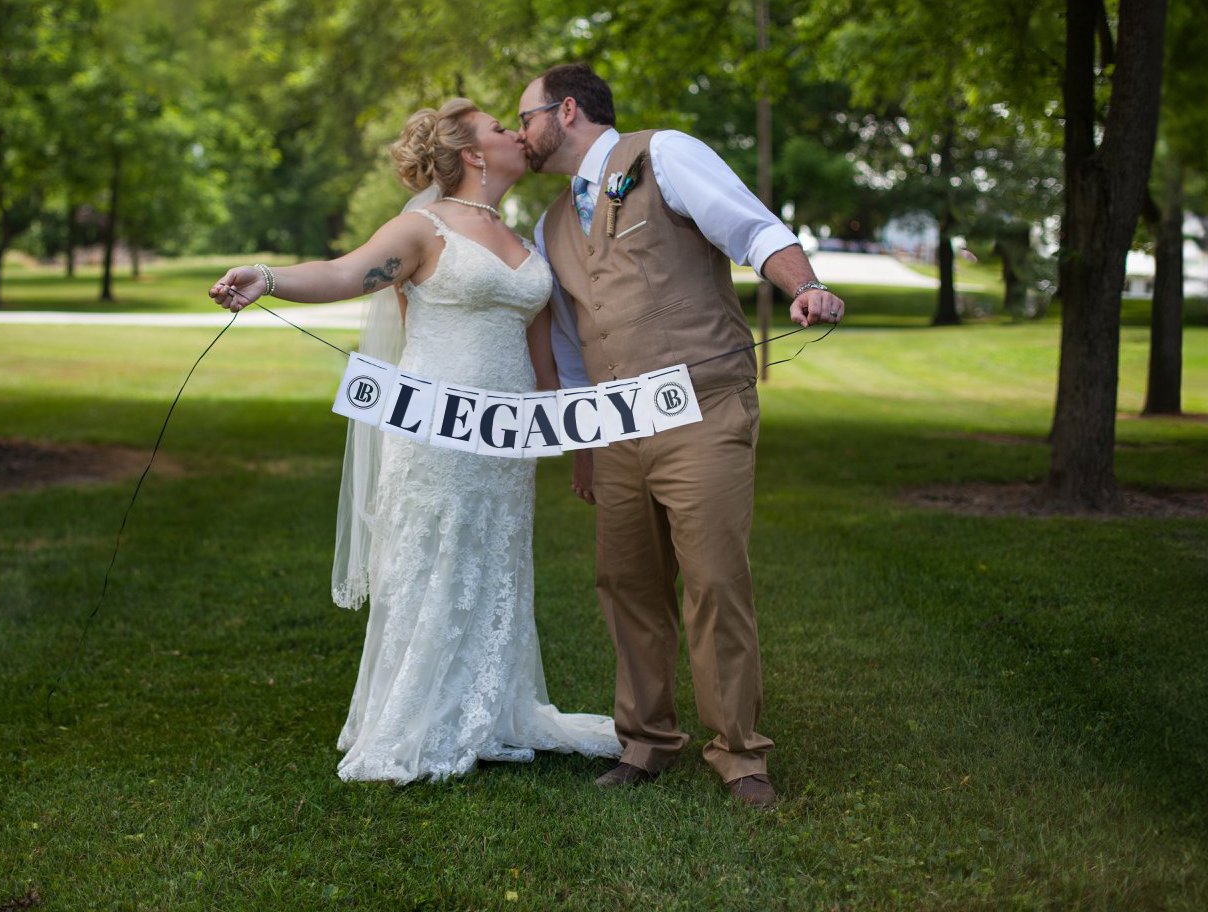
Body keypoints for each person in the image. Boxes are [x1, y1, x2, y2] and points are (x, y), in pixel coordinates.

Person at [209, 97, 618, 784]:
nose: (516, 133)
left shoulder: (525, 241)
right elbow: (345, 272)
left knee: (495, 561)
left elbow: (543, 355)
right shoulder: (422, 229)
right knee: (434, 561)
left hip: (506, 439)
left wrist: (578, 442)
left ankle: (487, 710)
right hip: (436, 429)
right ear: (473, 154)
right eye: (500, 128)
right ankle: (412, 719)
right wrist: (269, 279)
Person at [517, 62, 845, 810]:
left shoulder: (664, 153)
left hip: (703, 408)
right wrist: (584, 445)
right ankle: (646, 741)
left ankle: (739, 753)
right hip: (615, 427)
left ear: (566, 112)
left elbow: (752, 227)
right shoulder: (550, 225)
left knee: (714, 580)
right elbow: (570, 341)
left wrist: (805, 287)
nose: (520, 133)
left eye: (526, 117)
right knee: (627, 583)